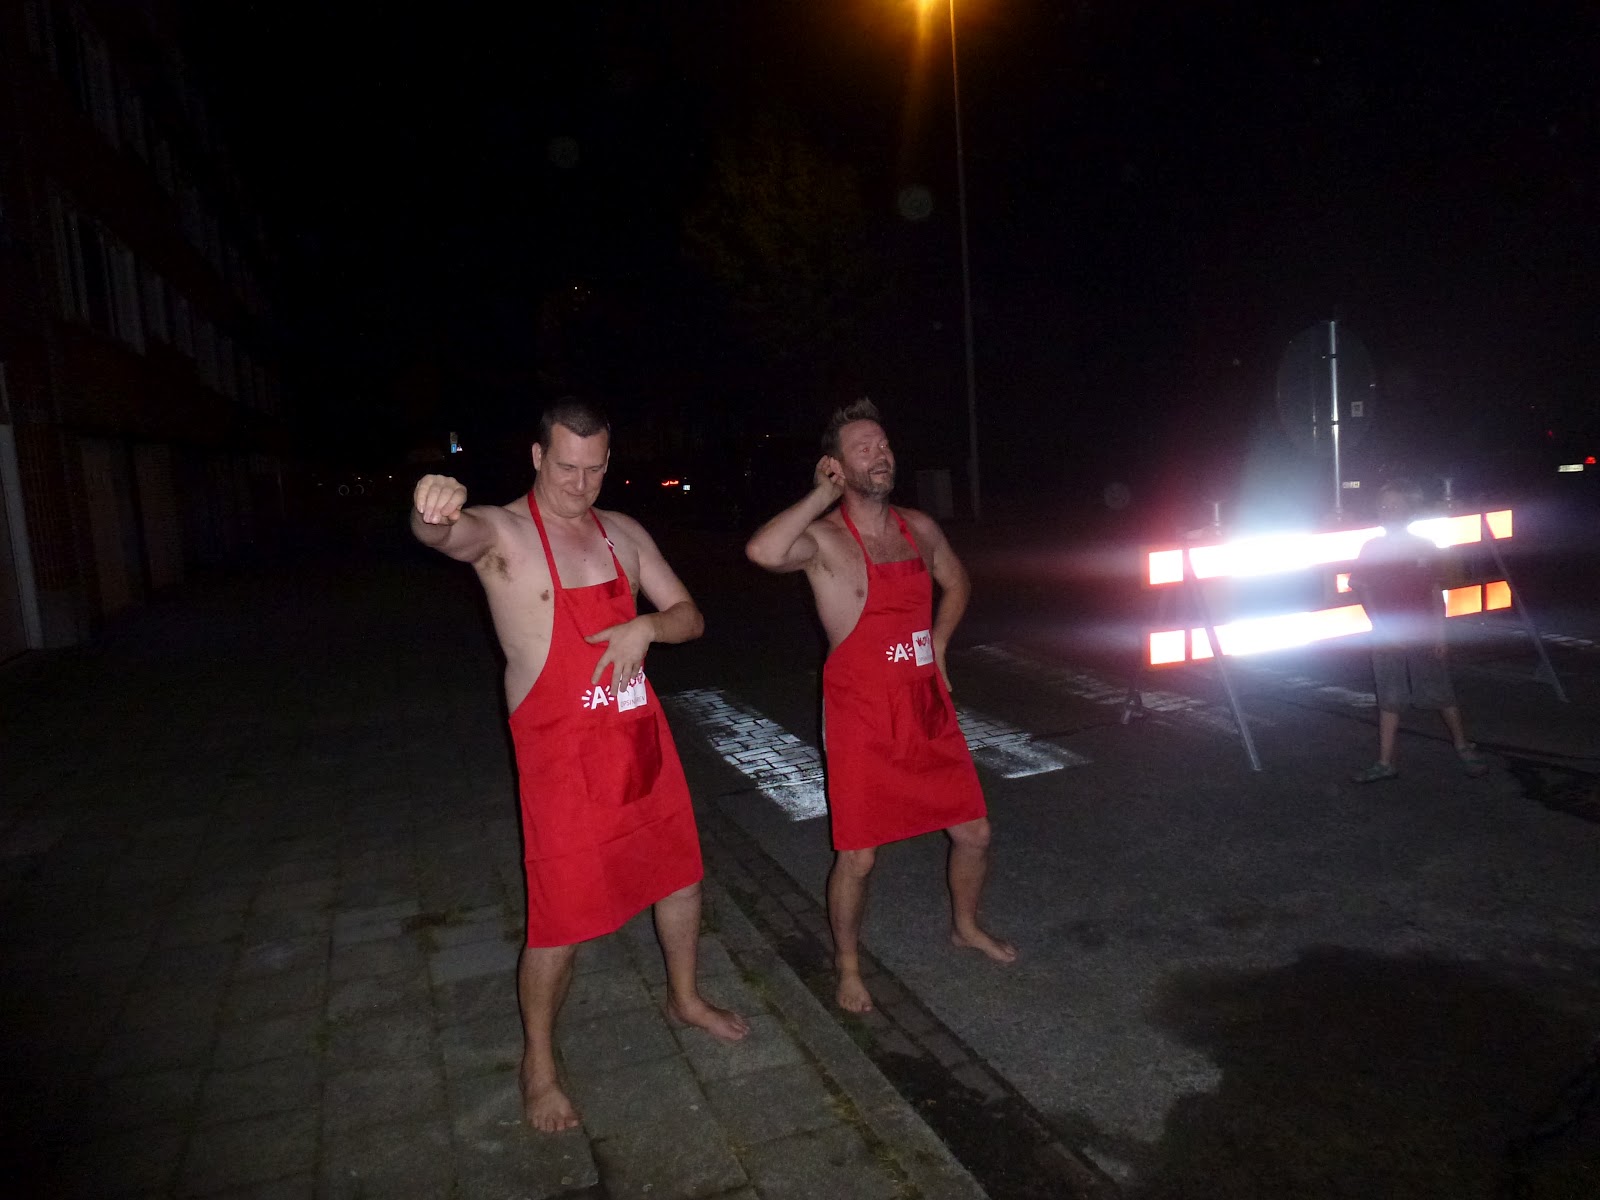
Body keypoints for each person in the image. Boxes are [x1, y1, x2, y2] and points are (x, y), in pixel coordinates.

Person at [411, 398, 748, 1133]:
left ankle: (684, 998)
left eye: (595, 469)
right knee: (560, 923)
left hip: (639, 740)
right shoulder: (502, 531)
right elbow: (445, 536)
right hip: (561, 759)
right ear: (538, 457)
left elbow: (690, 616)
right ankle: (538, 1063)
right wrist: (430, 509)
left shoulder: (624, 533)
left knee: (680, 879)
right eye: (567, 467)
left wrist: (647, 626)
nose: (581, 483)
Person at [745, 398, 1016, 1014]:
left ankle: (965, 926)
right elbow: (762, 551)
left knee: (974, 832)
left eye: (884, 443)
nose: (880, 454)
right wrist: (820, 494)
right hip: (860, 715)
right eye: (863, 448)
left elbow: (957, 580)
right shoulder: (823, 539)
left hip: (926, 706)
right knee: (859, 857)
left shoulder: (919, 528)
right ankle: (847, 966)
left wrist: (939, 641)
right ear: (836, 465)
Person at [1348, 479, 1489, 783]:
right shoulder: (1371, 548)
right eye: (1384, 506)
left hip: (1423, 632)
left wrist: (1440, 634)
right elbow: (1364, 592)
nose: (1388, 511)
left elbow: (1435, 593)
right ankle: (1385, 762)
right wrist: (1383, 630)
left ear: (1409, 511)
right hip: (1387, 634)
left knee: (1441, 691)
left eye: (1395, 505)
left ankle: (1463, 746)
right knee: (1390, 696)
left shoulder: (1425, 546)